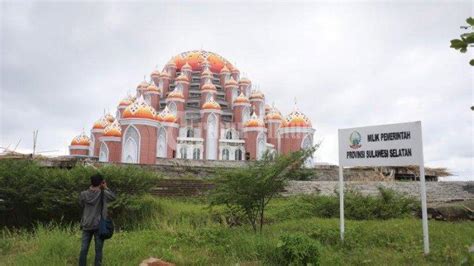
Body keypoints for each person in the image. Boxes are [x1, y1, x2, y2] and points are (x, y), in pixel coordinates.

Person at [79, 173, 116, 266]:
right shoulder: (103, 194)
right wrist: (106, 187)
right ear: (101, 183)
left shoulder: (83, 194)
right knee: (98, 250)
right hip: (99, 225)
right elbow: (113, 197)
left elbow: (81, 205)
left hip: (86, 224)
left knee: (83, 249)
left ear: (91, 183)